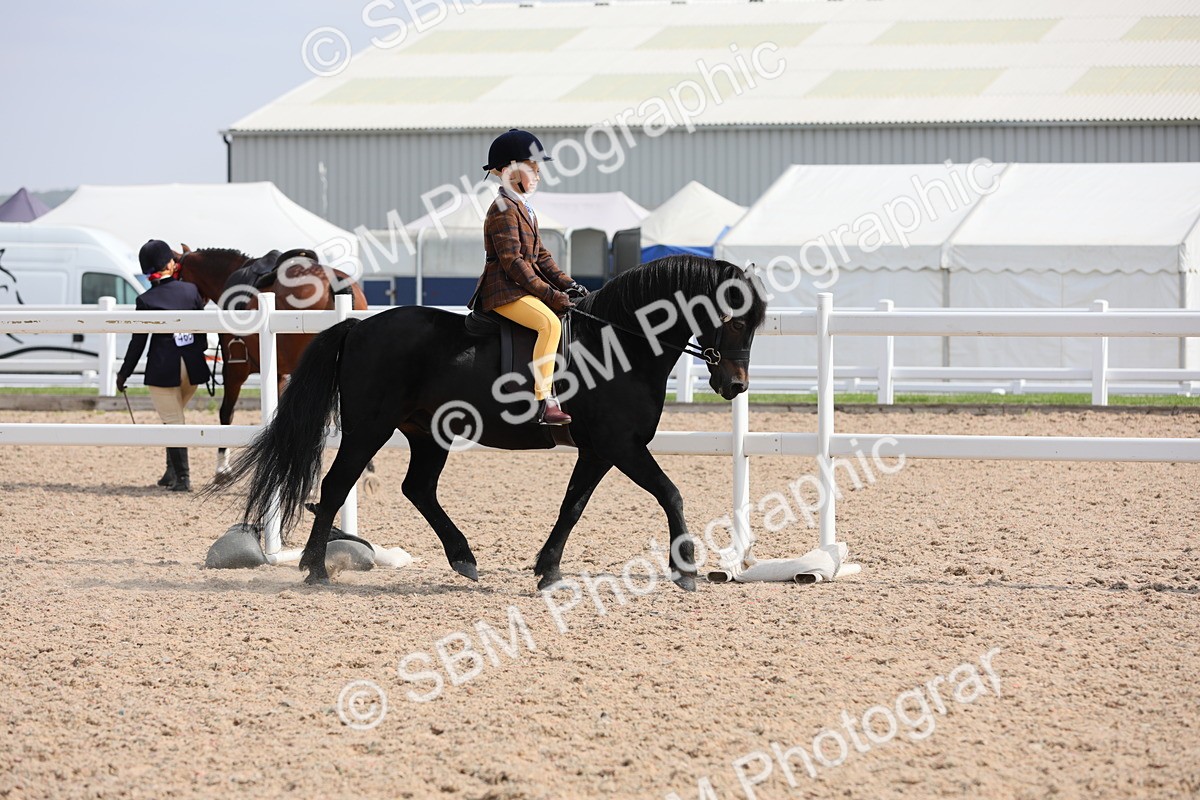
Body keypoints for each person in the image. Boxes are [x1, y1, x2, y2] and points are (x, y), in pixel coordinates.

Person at [471, 128, 588, 426]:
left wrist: (569, 284)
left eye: (537, 168)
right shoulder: (502, 210)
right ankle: (543, 401)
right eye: (532, 168)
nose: (537, 174)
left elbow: (542, 257)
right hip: (503, 291)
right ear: (510, 170)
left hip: (519, 288)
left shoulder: (523, 208)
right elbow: (513, 263)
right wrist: (551, 296)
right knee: (548, 323)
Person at [116, 240, 211, 491]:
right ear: (170, 263)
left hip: (163, 368)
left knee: (173, 421)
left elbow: (138, 342)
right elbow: (202, 334)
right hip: (192, 368)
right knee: (175, 418)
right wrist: (196, 352)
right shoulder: (191, 291)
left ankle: (183, 478)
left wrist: (123, 374)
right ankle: (171, 472)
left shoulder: (145, 300)